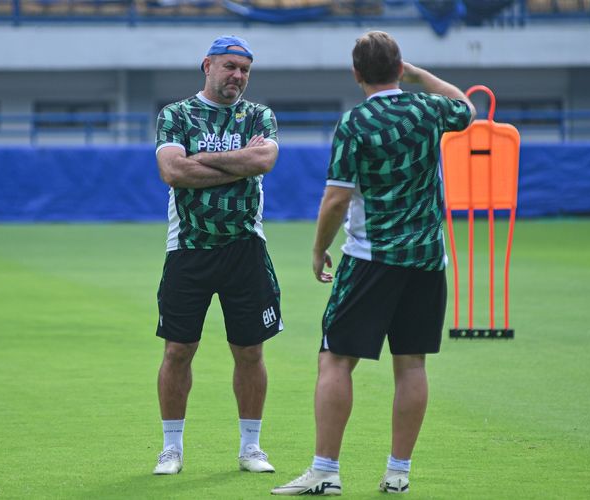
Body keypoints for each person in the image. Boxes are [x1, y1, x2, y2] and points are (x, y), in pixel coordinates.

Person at [272, 31, 474, 496]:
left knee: (335, 360)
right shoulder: (429, 110)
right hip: (426, 258)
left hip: (370, 258)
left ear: (356, 74)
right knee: (412, 364)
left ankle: (325, 471)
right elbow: (466, 106)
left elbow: (336, 200)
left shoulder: (354, 123)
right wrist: (421, 76)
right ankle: (398, 472)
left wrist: (318, 247)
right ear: (400, 69)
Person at [152, 35, 283, 476]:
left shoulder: (259, 114)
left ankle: (251, 447)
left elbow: (264, 162)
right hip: (188, 247)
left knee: (249, 351)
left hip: (246, 247)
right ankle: (171, 448)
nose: (238, 77)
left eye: (245, 70)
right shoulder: (176, 114)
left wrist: (204, 160)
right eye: (230, 67)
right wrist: (236, 162)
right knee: (178, 350)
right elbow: (173, 170)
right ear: (207, 66)